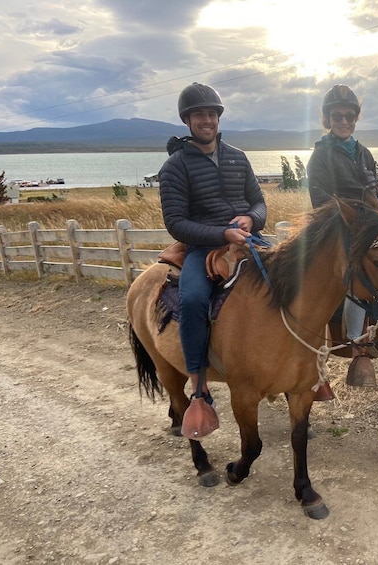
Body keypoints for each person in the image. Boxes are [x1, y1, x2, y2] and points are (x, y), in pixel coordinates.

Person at [159, 82, 267, 439]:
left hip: (247, 239)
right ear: (187, 120)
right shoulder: (175, 167)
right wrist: (222, 234)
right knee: (192, 300)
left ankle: (305, 371)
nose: (207, 120)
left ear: (218, 118)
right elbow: (175, 222)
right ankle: (198, 386)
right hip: (202, 247)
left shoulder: (238, 156)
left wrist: (252, 219)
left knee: (298, 278)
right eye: (199, 115)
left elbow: (258, 201)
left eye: (212, 114)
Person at [307, 84, 378, 387]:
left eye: (349, 116)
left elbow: (375, 191)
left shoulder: (364, 153)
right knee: (354, 273)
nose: (344, 121)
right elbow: (319, 199)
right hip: (337, 227)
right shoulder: (320, 156)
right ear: (328, 119)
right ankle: (357, 346)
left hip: (369, 224)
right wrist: (356, 217)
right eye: (337, 116)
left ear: (356, 118)